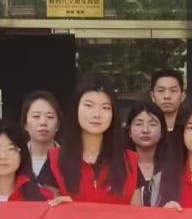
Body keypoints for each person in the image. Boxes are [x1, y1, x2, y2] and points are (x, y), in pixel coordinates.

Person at [38, 77, 139, 205]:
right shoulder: (55, 160)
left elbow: (138, 215)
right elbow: (46, 212)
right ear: (76, 108)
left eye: (105, 107)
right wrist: (62, 208)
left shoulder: (131, 162)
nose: (97, 114)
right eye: (89, 105)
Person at [21, 89, 62, 181]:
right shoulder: (16, 159)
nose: (43, 122)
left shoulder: (69, 159)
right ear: (25, 124)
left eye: (50, 117)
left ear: (58, 125)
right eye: (36, 116)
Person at [125, 100, 167, 185]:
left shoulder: (172, 166)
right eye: (139, 124)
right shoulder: (120, 165)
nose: (145, 130)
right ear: (129, 131)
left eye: (152, 124)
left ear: (162, 131)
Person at [149, 68, 185, 133]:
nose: (167, 96)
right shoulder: (145, 131)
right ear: (152, 96)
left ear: (182, 96)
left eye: (173, 90)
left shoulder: (190, 128)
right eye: (161, 90)